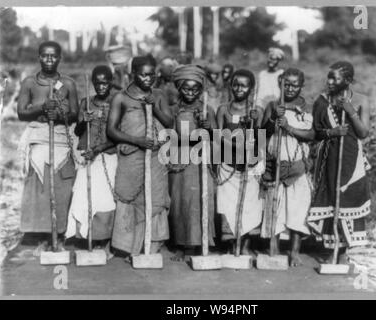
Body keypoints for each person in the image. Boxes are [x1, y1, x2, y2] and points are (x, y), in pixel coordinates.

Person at [107, 54, 174, 259]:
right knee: (130, 197)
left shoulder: (159, 95)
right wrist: (136, 141)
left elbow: (169, 122)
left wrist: (154, 106)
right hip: (132, 156)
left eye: (151, 75)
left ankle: (151, 245)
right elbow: (112, 130)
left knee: (155, 198)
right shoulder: (121, 98)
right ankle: (127, 246)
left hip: (155, 157)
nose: (148, 79)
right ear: (133, 74)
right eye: (143, 75)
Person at [17, 41, 79, 256]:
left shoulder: (68, 84)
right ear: (39, 57)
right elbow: (21, 113)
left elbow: (75, 114)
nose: (49, 60)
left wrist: (60, 115)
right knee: (40, 187)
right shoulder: (29, 83)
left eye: (53, 56)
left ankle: (60, 233)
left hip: (61, 137)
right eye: (45, 56)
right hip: (39, 137)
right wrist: (41, 108)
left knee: (63, 187)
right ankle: (42, 235)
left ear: (60, 58)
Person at [307, 61, 371, 264]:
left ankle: (343, 253)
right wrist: (332, 132)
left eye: (335, 78)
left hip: (352, 159)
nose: (330, 81)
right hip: (329, 159)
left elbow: (363, 132)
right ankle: (332, 249)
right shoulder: (322, 101)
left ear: (349, 80)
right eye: (329, 77)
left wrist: (350, 110)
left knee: (347, 200)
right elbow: (315, 132)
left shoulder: (361, 100)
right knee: (331, 199)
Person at [261, 68, 314, 267]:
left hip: (298, 165)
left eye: (295, 84)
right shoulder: (273, 105)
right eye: (287, 84)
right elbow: (263, 133)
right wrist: (274, 118)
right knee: (274, 208)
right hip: (276, 165)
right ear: (280, 83)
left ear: (302, 85)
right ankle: (273, 250)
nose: (290, 88)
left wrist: (289, 127)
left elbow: (312, 135)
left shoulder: (306, 107)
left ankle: (294, 252)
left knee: (298, 210)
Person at [65, 65, 118, 258]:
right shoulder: (85, 102)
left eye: (105, 83)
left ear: (111, 82)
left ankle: (105, 241)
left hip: (108, 156)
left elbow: (118, 134)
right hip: (88, 157)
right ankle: (88, 238)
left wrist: (99, 150)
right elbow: (78, 132)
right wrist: (83, 121)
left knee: (105, 199)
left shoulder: (116, 102)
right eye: (98, 83)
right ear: (93, 83)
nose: (101, 86)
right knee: (85, 196)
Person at [168, 64, 217, 261]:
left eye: (195, 89)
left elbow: (216, 136)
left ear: (200, 90)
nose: (191, 92)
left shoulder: (207, 110)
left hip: (200, 163)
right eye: (186, 88)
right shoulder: (174, 110)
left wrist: (207, 127)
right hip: (180, 162)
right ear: (179, 88)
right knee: (180, 203)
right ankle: (181, 244)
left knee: (199, 202)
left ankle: (197, 244)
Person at [216, 69, 264, 255]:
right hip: (228, 167)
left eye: (244, 85)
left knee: (249, 207)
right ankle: (231, 246)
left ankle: (245, 246)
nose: (239, 88)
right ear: (231, 85)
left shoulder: (256, 111)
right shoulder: (223, 110)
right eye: (236, 84)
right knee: (228, 207)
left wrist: (255, 123)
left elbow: (260, 139)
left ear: (251, 88)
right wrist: (236, 146)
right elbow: (217, 136)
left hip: (249, 167)